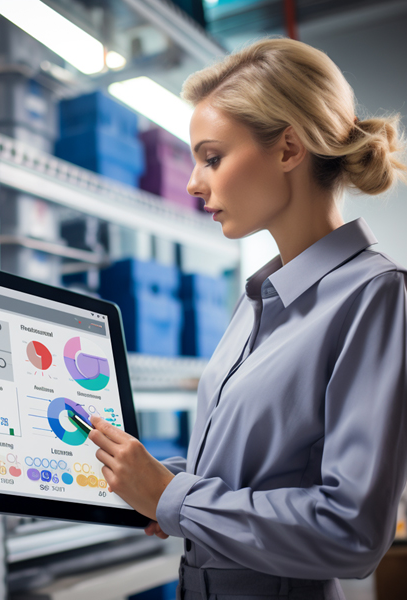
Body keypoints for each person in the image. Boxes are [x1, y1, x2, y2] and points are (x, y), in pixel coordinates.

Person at [88, 37, 407, 600]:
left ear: (289, 148)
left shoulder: (374, 296)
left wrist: (177, 497)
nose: (193, 182)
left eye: (212, 157)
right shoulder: (259, 298)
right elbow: (263, 470)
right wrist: (163, 482)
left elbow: (351, 532)